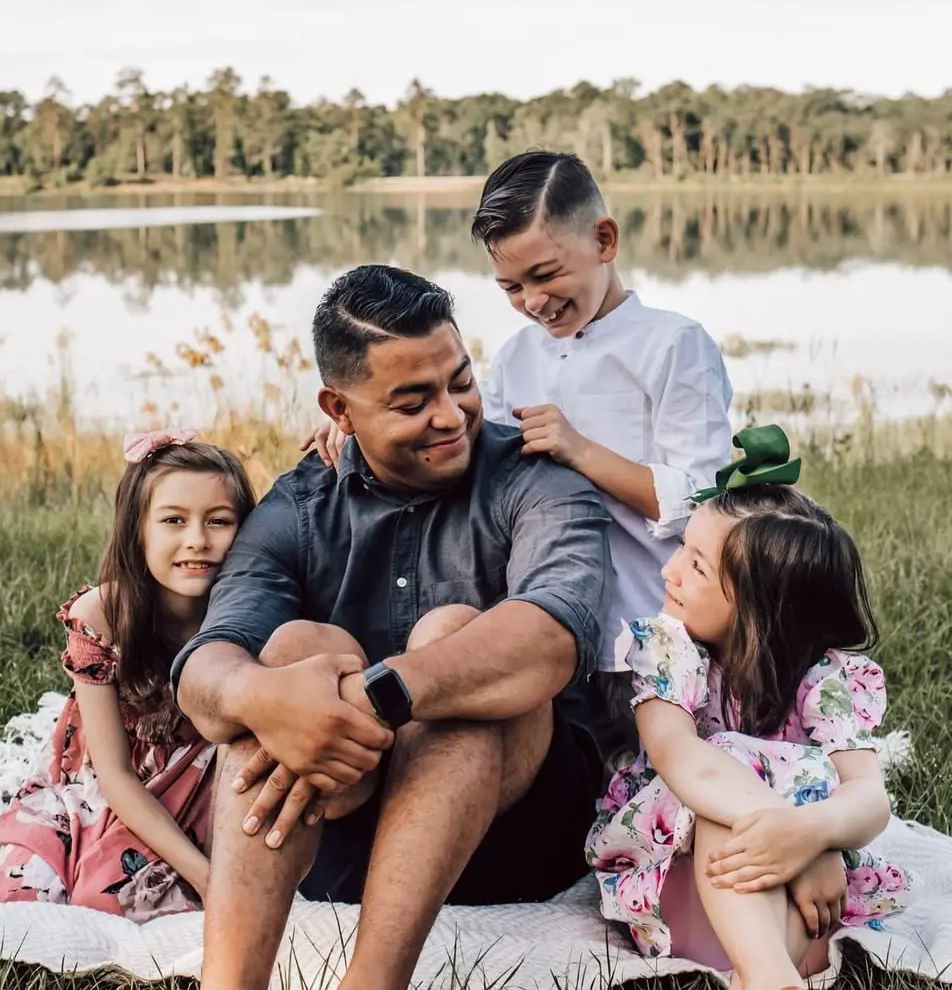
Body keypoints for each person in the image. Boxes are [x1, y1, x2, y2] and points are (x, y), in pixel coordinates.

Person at [173, 264, 613, 990]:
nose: (451, 415)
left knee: (453, 644)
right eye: (412, 401)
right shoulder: (298, 506)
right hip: (337, 829)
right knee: (289, 657)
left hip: (524, 832)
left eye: (460, 382)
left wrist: (379, 697)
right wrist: (267, 699)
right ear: (338, 411)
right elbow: (205, 667)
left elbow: (552, 635)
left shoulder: (540, 479)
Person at [305, 150, 733, 768]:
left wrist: (582, 452)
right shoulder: (513, 359)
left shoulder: (672, 345)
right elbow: (473, 457)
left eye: (547, 274)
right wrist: (360, 423)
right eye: (511, 287)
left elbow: (705, 499)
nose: (533, 300)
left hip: (652, 621)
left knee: (665, 776)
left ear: (604, 240)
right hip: (542, 624)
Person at [585, 425, 913, 990]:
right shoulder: (668, 651)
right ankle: (765, 975)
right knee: (723, 774)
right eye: (680, 550)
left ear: (763, 611)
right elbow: (681, 758)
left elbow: (869, 797)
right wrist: (793, 835)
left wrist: (812, 836)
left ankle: (766, 974)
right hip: (684, 889)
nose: (669, 571)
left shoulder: (824, 679)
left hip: (797, 911)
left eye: (697, 565)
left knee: (793, 776)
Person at [0, 430, 257, 923]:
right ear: (137, 531)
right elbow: (114, 773)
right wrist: (206, 877)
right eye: (173, 520)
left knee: (111, 897)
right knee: (19, 890)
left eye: (220, 521)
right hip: (111, 784)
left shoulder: (245, 614)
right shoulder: (103, 615)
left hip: (203, 784)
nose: (198, 540)